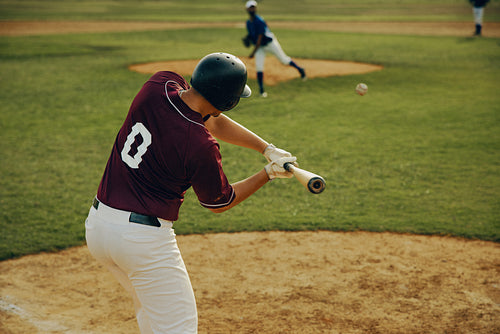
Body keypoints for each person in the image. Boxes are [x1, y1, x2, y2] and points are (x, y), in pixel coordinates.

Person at [84, 52, 297, 334]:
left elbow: (207, 118)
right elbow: (221, 202)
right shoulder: (200, 145)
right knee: (178, 329)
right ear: (228, 102)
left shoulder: (158, 85)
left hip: (99, 227)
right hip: (142, 243)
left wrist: (266, 148)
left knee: (150, 316)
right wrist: (267, 174)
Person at [243, 0, 306, 97]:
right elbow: (253, 36)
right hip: (260, 47)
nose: (252, 9)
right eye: (250, 7)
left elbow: (259, 39)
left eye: (253, 7)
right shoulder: (248, 22)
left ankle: (300, 69)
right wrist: (249, 38)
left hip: (270, 44)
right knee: (259, 67)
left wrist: (253, 53)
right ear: (247, 9)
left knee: (284, 60)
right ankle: (261, 91)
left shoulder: (259, 21)